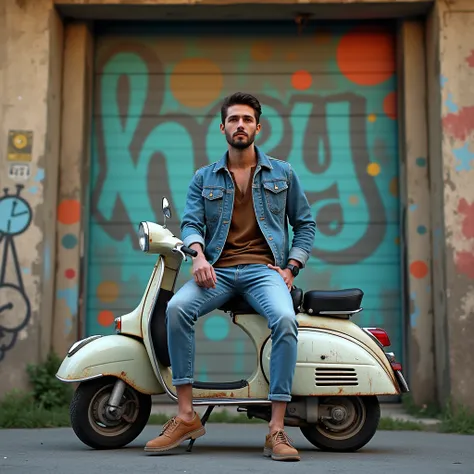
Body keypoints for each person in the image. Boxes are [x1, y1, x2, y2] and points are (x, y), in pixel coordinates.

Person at [145, 92, 316, 461]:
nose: (241, 125)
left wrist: (290, 268)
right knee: (176, 308)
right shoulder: (204, 177)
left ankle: (276, 429)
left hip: (263, 271)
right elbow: (191, 223)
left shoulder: (282, 173)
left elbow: (305, 225)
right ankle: (186, 415)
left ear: (258, 127)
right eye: (234, 119)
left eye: (247, 119)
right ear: (222, 126)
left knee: (285, 320)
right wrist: (198, 255)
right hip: (218, 270)